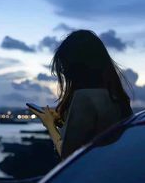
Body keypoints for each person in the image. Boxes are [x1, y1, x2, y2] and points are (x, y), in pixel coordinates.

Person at [28, 29, 133, 161]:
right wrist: (61, 122)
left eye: (64, 68)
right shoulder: (116, 96)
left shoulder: (84, 97)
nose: (64, 73)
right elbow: (95, 132)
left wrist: (49, 125)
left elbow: (68, 158)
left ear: (74, 67)